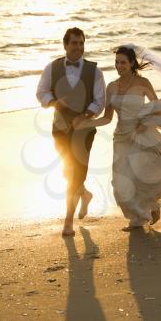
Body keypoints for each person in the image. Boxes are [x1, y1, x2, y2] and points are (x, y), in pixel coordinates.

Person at [73, 45, 161, 231]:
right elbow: (107, 117)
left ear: (132, 63)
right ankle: (140, 214)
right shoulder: (111, 87)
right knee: (120, 183)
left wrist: (147, 122)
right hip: (121, 138)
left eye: (123, 62)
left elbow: (157, 107)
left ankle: (144, 214)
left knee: (148, 175)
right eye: (117, 62)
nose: (119, 66)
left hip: (142, 134)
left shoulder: (143, 83)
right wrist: (85, 123)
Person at [36, 27, 106, 237]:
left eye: (81, 43)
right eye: (74, 43)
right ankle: (84, 195)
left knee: (76, 173)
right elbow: (41, 92)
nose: (78, 47)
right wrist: (55, 102)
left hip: (84, 130)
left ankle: (68, 221)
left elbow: (99, 101)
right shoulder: (52, 67)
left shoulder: (95, 71)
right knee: (68, 171)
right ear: (65, 45)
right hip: (59, 128)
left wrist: (84, 116)